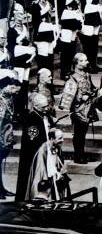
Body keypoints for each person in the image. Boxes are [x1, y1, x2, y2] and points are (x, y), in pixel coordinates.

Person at [59, 53, 97, 164]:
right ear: (77, 63)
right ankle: (78, 156)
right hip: (77, 110)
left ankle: (81, 154)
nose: (87, 62)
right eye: (84, 60)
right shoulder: (72, 77)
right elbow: (69, 94)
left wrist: (94, 92)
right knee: (79, 134)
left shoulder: (87, 75)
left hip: (87, 109)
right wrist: (81, 97)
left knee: (83, 133)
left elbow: (92, 88)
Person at [15, 92, 51, 201]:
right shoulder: (31, 119)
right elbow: (33, 139)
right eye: (44, 107)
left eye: (47, 105)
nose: (46, 108)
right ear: (36, 107)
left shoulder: (41, 116)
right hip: (32, 155)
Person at [26, 128, 70, 201]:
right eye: (60, 138)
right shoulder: (43, 151)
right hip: (47, 181)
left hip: (56, 180)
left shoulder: (57, 147)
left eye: (63, 137)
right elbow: (41, 172)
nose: (62, 140)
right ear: (52, 138)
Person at [57, 0, 83, 80]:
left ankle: (70, 69)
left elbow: (77, 6)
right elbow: (61, 11)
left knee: (72, 47)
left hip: (74, 22)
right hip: (66, 23)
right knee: (65, 48)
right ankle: (64, 71)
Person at [0, 70, 21, 198]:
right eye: (12, 87)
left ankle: (1, 188)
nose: (15, 90)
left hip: (5, 136)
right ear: (4, 87)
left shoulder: (9, 99)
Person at [31, 0, 56, 72]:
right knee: (43, 61)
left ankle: (50, 81)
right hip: (41, 36)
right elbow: (36, 22)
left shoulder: (49, 4)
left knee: (50, 60)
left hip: (49, 35)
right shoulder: (36, 5)